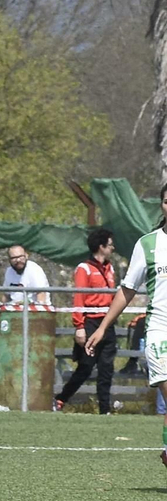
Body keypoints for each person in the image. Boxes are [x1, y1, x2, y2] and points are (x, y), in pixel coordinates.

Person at [83, 187, 167, 463]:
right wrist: (103, 326)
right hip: (160, 331)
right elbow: (127, 290)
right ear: (162, 206)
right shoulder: (148, 245)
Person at [56, 227, 118, 413]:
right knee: (86, 366)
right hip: (90, 322)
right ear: (101, 246)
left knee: (106, 369)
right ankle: (61, 399)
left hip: (107, 322)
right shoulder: (84, 268)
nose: (113, 248)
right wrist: (79, 326)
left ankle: (104, 410)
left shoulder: (110, 268)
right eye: (110, 245)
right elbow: (79, 298)